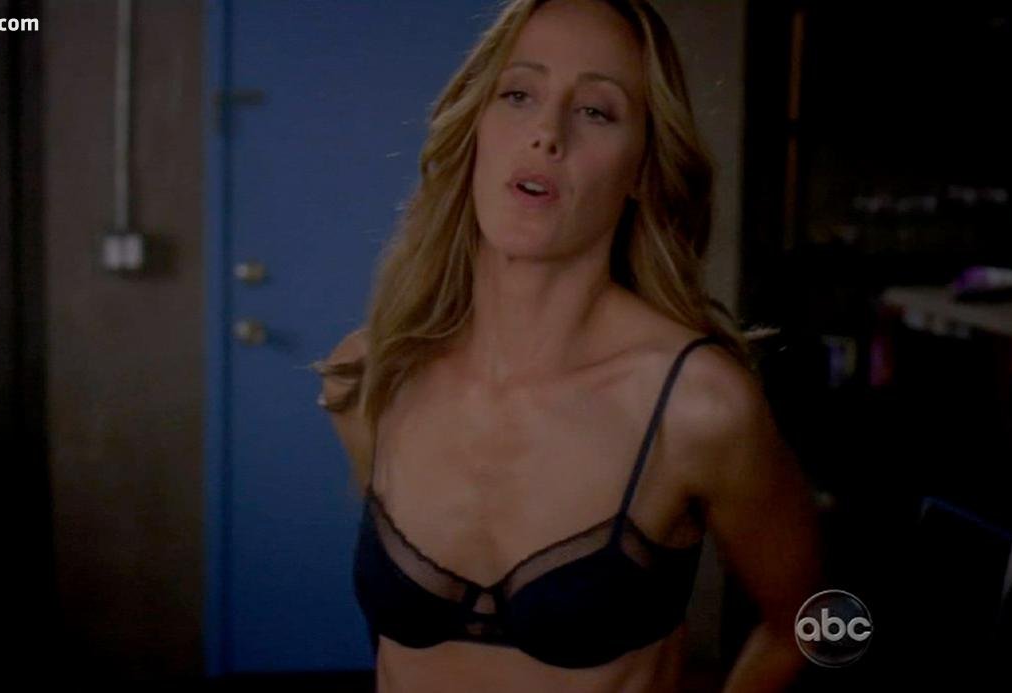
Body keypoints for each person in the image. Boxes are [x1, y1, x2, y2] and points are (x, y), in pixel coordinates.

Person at [313, 1, 822, 690]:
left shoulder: (697, 406)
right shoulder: (371, 375)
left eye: (596, 112)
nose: (547, 133)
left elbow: (824, 621)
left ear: (643, 169)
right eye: (518, 95)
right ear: (474, 130)